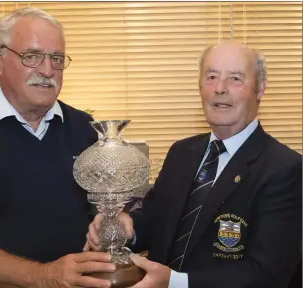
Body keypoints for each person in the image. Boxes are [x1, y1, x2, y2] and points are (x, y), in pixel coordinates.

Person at [85, 41, 302, 288]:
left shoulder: (285, 169)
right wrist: (129, 227)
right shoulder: (182, 152)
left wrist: (175, 282)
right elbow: (157, 220)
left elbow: (267, 275)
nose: (220, 88)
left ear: (260, 88)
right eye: (211, 76)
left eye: (235, 78)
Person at [0, 7, 116, 288]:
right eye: (32, 56)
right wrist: (45, 276)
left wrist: (114, 220)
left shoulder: (85, 129)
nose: (47, 70)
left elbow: (103, 213)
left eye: (57, 59)